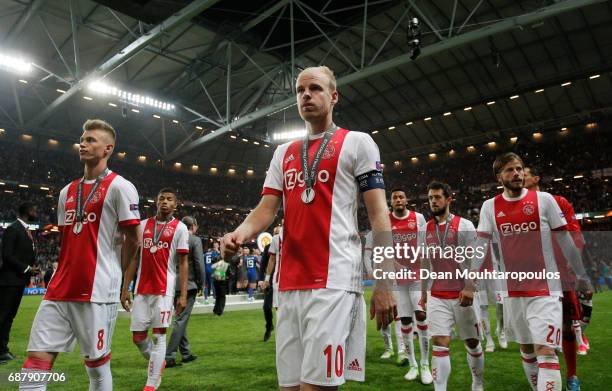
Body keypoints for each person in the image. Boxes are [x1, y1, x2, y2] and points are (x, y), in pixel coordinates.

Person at [222, 65, 396, 390]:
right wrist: (240, 233)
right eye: (300, 90)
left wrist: (385, 281)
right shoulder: (283, 153)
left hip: (334, 280)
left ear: (334, 96)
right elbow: (266, 209)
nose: (306, 95)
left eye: (315, 88)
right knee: (289, 387)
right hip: (288, 284)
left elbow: (379, 216)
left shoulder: (358, 143)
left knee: (315, 387)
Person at [20, 119, 141, 391]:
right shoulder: (67, 192)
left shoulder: (121, 187)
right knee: (35, 361)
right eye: (82, 139)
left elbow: (135, 241)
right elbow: (68, 240)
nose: (83, 144)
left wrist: (125, 284)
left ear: (108, 148)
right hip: (58, 289)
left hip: (97, 291)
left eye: (91, 140)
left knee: (97, 369)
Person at [473, 153, 591, 391]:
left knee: (545, 351)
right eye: (509, 170)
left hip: (546, 289)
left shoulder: (545, 200)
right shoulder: (490, 206)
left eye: (519, 169)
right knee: (526, 349)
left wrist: (581, 274)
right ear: (499, 177)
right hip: (513, 291)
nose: (516, 173)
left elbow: (565, 240)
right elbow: (480, 245)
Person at [524, 166, 592, 391]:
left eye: (524, 172)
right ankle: (540, 379)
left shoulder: (557, 202)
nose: (520, 176)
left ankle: (572, 376)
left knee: (567, 326)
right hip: (529, 276)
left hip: (559, 274)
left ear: (536, 178)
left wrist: (574, 269)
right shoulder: (511, 207)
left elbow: (574, 236)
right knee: (531, 332)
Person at [121, 188, 189, 391]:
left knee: (159, 335)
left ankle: (151, 383)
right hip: (141, 289)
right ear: (155, 202)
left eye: (169, 199)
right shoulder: (143, 226)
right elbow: (134, 258)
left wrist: (183, 295)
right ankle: (158, 362)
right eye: (161, 199)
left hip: (164, 289)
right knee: (138, 337)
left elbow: (183, 263)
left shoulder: (180, 228)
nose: (165, 202)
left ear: (175, 205)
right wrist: (125, 288)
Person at [419, 181, 484, 391]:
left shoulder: (464, 225)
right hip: (437, 294)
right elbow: (424, 263)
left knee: (472, 343)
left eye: (437, 197)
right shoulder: (425, 229)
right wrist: (423, 295)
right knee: (440, 342)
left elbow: (475, 259)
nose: (433, 201)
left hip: (462, 294)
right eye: (430, 198)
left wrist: (469, 287)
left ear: (449, 199)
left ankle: (477, 382)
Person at [387, 187, 432, 383]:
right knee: (404, 321)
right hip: (398, 279)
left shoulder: (418, 218)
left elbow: (425, 246)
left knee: (421, 315)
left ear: (406, 200)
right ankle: (413, 363)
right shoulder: (386, 220)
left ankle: (425, 364)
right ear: (391, 202)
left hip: (416, 276)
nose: (398, 199)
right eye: (394, 197)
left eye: (401, 196)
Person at [0, 202, 38, 364]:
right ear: (28, 211)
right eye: (34, 209)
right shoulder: (13, 229)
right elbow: (7, 256)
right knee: (3, 316)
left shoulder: (24, 230)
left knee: (9, 316)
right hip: (9, 281)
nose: (36, 211)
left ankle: (3, 350)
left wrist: (31, 268)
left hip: (18, 281)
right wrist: (27, 268)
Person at [166, 216, 204, 368]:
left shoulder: (172, 238)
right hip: (188, 284)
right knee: (181, 320)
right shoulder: (194, 240)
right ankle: (168, 356)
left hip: (171, 283)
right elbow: (199, 263)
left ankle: (186, 354)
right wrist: (202, 283)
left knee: (181, 318)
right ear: (194, 226)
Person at [259, 225, 282, 341]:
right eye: (276, 233)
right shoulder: (268, 247)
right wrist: (261, 280)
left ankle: (282, 335)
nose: (278, 234)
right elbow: (263, 265)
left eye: (279, 232)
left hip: (283, 281)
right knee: (266, 307)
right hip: (271, 282)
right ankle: (269, 326)